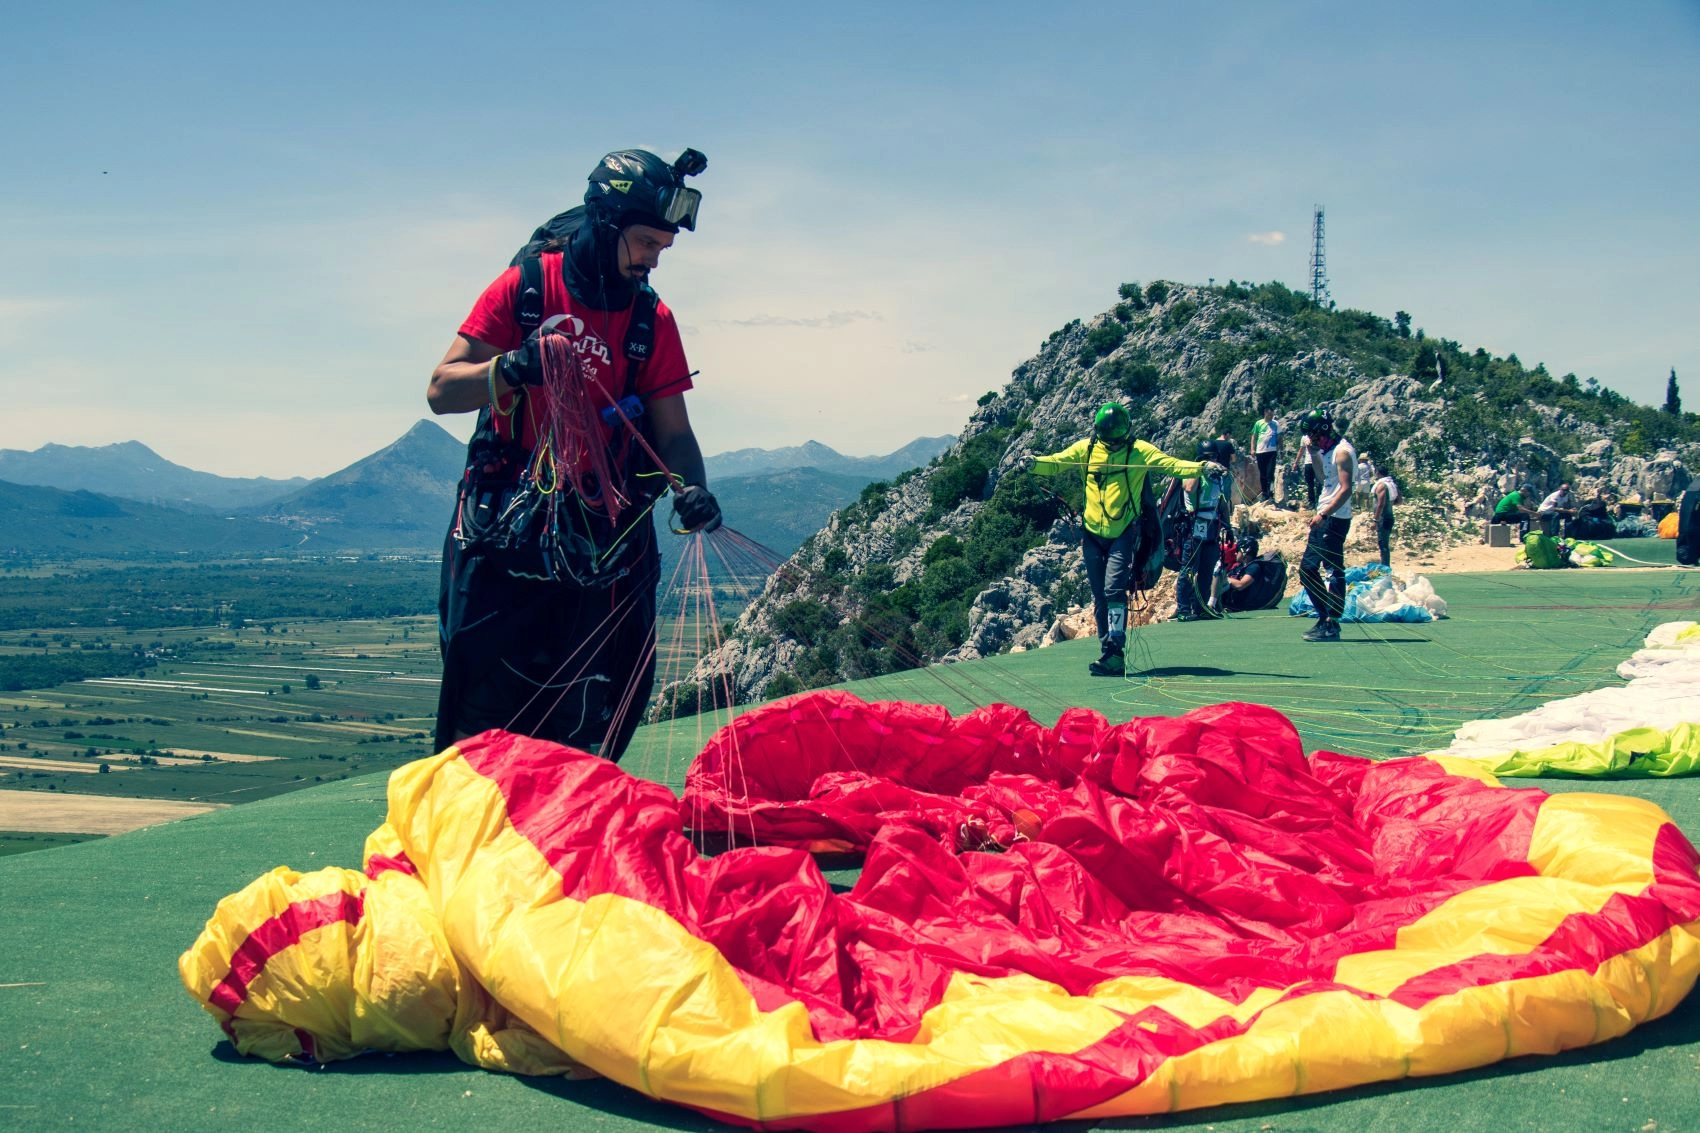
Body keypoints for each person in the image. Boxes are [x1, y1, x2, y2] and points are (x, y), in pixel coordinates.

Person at [427, 147, 721, 760]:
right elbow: (442, 389)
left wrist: (690, 487)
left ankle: (574, 821)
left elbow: (674, 436)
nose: (652, 259)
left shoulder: (651, 320)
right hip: (511, 529)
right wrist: (514, 366)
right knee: (486, 700)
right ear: (608, 223)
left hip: (603, 538)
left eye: (662, 249)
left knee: (596, 703)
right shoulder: (527, 290)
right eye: (645, 242)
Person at [1034, 403, 1221, 675]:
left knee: (1113, 591)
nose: (1110, 444)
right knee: (1100, 596)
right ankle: (1107, 650)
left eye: (1114, 439)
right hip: (1092, 535)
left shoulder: (1138, 451)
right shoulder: (1086, 449)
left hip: (1123, 533)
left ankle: (1115, 649)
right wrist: (1033, 463)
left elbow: (1171, 464)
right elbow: (1056, 462)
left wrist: (1202, 468)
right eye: (1106, 438)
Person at [1298, 408, 1356, 642]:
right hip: (1326, 515)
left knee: (1329, 569)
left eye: (1313, 436)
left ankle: (1331, 621)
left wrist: (1323, 514)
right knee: (1310, 569)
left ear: (1322, 430)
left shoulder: (1342, 452)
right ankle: (1326, 617)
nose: (1312, 440)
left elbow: (1345, 488)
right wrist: (1312, 453)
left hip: (1333, 518)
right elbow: (1325, 481)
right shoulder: (1328, 451)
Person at [1176, 438, 1234, 622]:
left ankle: (1200, 608)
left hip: (1212, 527)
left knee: (1207, 568)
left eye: (1214, 458)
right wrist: (1200, 468)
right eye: (1208, 458)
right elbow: (1189, 487)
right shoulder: (1193, 473)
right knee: (1189, 569)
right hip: (1194, 525)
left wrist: (1229, 526)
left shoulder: (1217, 478)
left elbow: (1223, 502)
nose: (1213, 461)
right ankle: (1183, 608)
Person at [1220, 534, 1286, 612]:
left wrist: (1222, 577)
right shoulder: (1240, 566)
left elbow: (1241, 585)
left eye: (1237, 551)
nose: (1235, 553)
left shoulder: (1254, 567)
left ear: (1244, 551)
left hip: (1243, 602)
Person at [1371, 462, 1398, 568]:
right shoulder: (1392, 484)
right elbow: (1399, 500)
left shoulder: (1382, 485)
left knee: (1383, 544)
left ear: (1378, 473)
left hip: (1383, 518)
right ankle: (1385, 566)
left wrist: (1375, 520)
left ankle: (1385, 568)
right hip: (1390, 516)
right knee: (1384, 543)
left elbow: (1380, 504)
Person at [1251, 407, 1280, 502]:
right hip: (1260, 451)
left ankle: (1271, 492)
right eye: (1269, 415)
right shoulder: (1259, 423)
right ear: (1265, 413)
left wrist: (1282, 450)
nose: (1271, 417)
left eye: (1272, 415)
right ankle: (1264, 493)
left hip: (1272, 451)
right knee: (1262, 474)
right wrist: (1252, 449)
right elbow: (1254, 436)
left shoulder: (1276, 424)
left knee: (1270, 473)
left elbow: (1280, 437)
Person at [1295, 432, 1320, 509]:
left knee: (1320, 482)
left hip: (1319, 461)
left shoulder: (1319, 434)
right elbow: (1301, 450)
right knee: (1310, 483)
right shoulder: (1304, 437)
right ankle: (1311, 502)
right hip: (1308, 462)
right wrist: (1296, 462)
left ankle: (1320, 501)